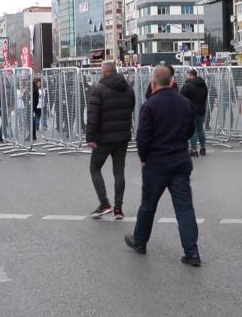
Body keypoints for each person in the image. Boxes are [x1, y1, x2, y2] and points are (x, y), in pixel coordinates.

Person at [125, 66, 200, 266]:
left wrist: (143, 157)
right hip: (180, 161)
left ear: (153, 82)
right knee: (184, 209)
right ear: (172, 82)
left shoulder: (150, 106)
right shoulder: (185, 104)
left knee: (148, 205)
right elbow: (190, 130)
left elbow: (143, 137)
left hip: (156, 163)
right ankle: (192, 252)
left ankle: (140, 241)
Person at [86, 61, 136, 220]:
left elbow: (93, 116)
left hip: (104, 137)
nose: (100, 72)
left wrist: (90, 137)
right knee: (119, 171)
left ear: (105, 72)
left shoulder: (99, 89)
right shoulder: (128, 89)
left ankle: (104, 203)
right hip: (122, 137)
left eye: (101, 70)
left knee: (95, 168)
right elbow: (131, 108)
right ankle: (118, 209)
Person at [180, 69, 208, 157]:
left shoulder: (187, 86)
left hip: (191, 111)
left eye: (187, 75)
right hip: (201, 110)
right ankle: (203, 149)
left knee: (193, 131)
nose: (186, 76)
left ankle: (194, 150)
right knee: (200, 129)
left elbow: (181, 98)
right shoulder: (203, 85)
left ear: (192, 75)